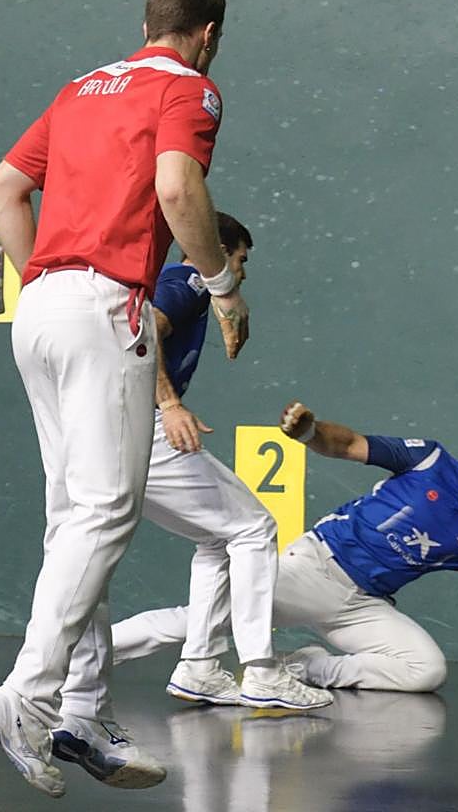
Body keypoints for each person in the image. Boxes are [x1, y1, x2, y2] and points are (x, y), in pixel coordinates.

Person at [0, 0, 248, 799]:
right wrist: (223, 283)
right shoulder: (192, 90)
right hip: (104, 306)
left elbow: (2, 191)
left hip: (41, 306)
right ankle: (26, 695)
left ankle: (82, 710)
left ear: (144, 23)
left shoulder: (80, 88)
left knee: (75, 520)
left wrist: (51, 288)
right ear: (208, 34)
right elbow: (176, 188)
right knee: (104, 513)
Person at [112, 401, 458, 692]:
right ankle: (79, 654)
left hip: (363, 606)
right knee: (198, 624)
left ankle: (304, 669)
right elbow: (347, 444)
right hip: (316, 568)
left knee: (424, 669)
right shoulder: (428, 461)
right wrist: (309, 431)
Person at [139, 211, 330, 710]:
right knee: (254, 529)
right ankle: (262, 671)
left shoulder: (177, 284)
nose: (240, 274)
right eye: (240, 260)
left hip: (123, 435)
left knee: (216, 538)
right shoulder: (188, 281)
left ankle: (199, 666)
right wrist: (170, 403)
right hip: (148, 430)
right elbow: (144, 336)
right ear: (218, 253)